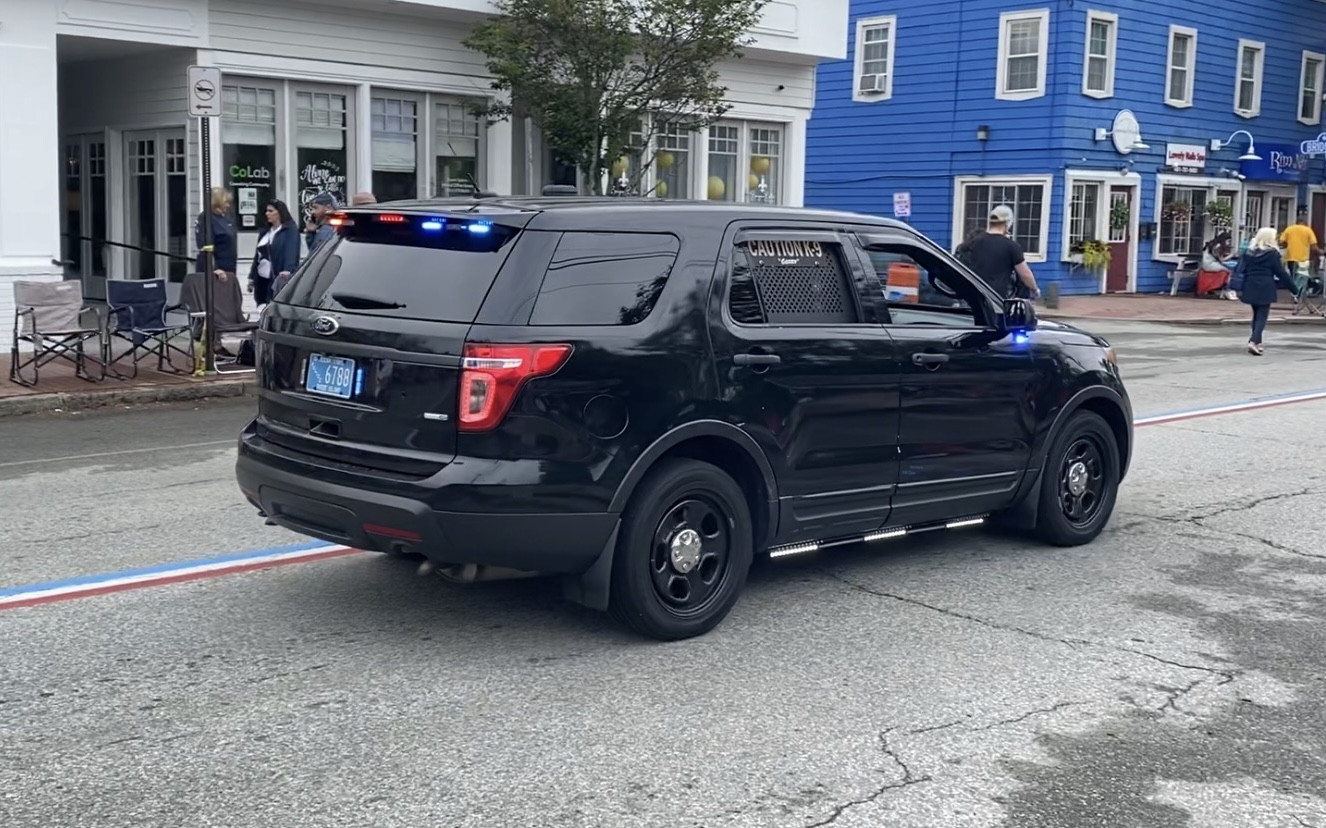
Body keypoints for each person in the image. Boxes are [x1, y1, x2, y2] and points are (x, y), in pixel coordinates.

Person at [1235, 227, 1301, 356]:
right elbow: (1281, 273)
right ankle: (1254, 341)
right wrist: (1293, 288)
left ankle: (1257, 341)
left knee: (1256, 314)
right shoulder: (1272, 254)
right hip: (1265, 285)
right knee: (1262, 315)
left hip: (1250, 284)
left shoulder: (1248, 253)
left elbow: (1240, 269)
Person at [955, 204, 1039, 300]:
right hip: (995, 298)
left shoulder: (972, 242)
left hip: (973, 295)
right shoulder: (1011, 246)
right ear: (1008, 224)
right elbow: (1025, 274)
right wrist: (1035, 289)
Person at [248, 199, 300, 306]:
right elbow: (257, 256)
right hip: (261, 278)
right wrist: (252, 276)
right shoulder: (265, 231)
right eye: (266, 211)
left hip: (276, 277)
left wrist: (287, 271)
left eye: (271, 211)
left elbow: (291, 252)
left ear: (279, 212)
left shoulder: (289, 231)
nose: (267, 214)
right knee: (261, 305)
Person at [194, 186, 238, 284]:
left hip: (229, 271)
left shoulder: (226, 219)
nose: (227, 205)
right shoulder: (205, 218)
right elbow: (204, 247)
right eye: (225, 202)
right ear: (218, 202)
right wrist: (214, 269)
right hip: (216, 273)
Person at [1278, 213, 1320, 282]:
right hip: (1302, 259)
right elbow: (1314, 247)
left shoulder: (1289, 229)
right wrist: (1321, 251)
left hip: (1290, 257)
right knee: (1302, 277)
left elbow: (1281, 242)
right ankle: (1299, 291)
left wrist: (1288, 244)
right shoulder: (1308, 230)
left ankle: (1293, 291)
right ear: (1304, 222)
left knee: (1293, 275)